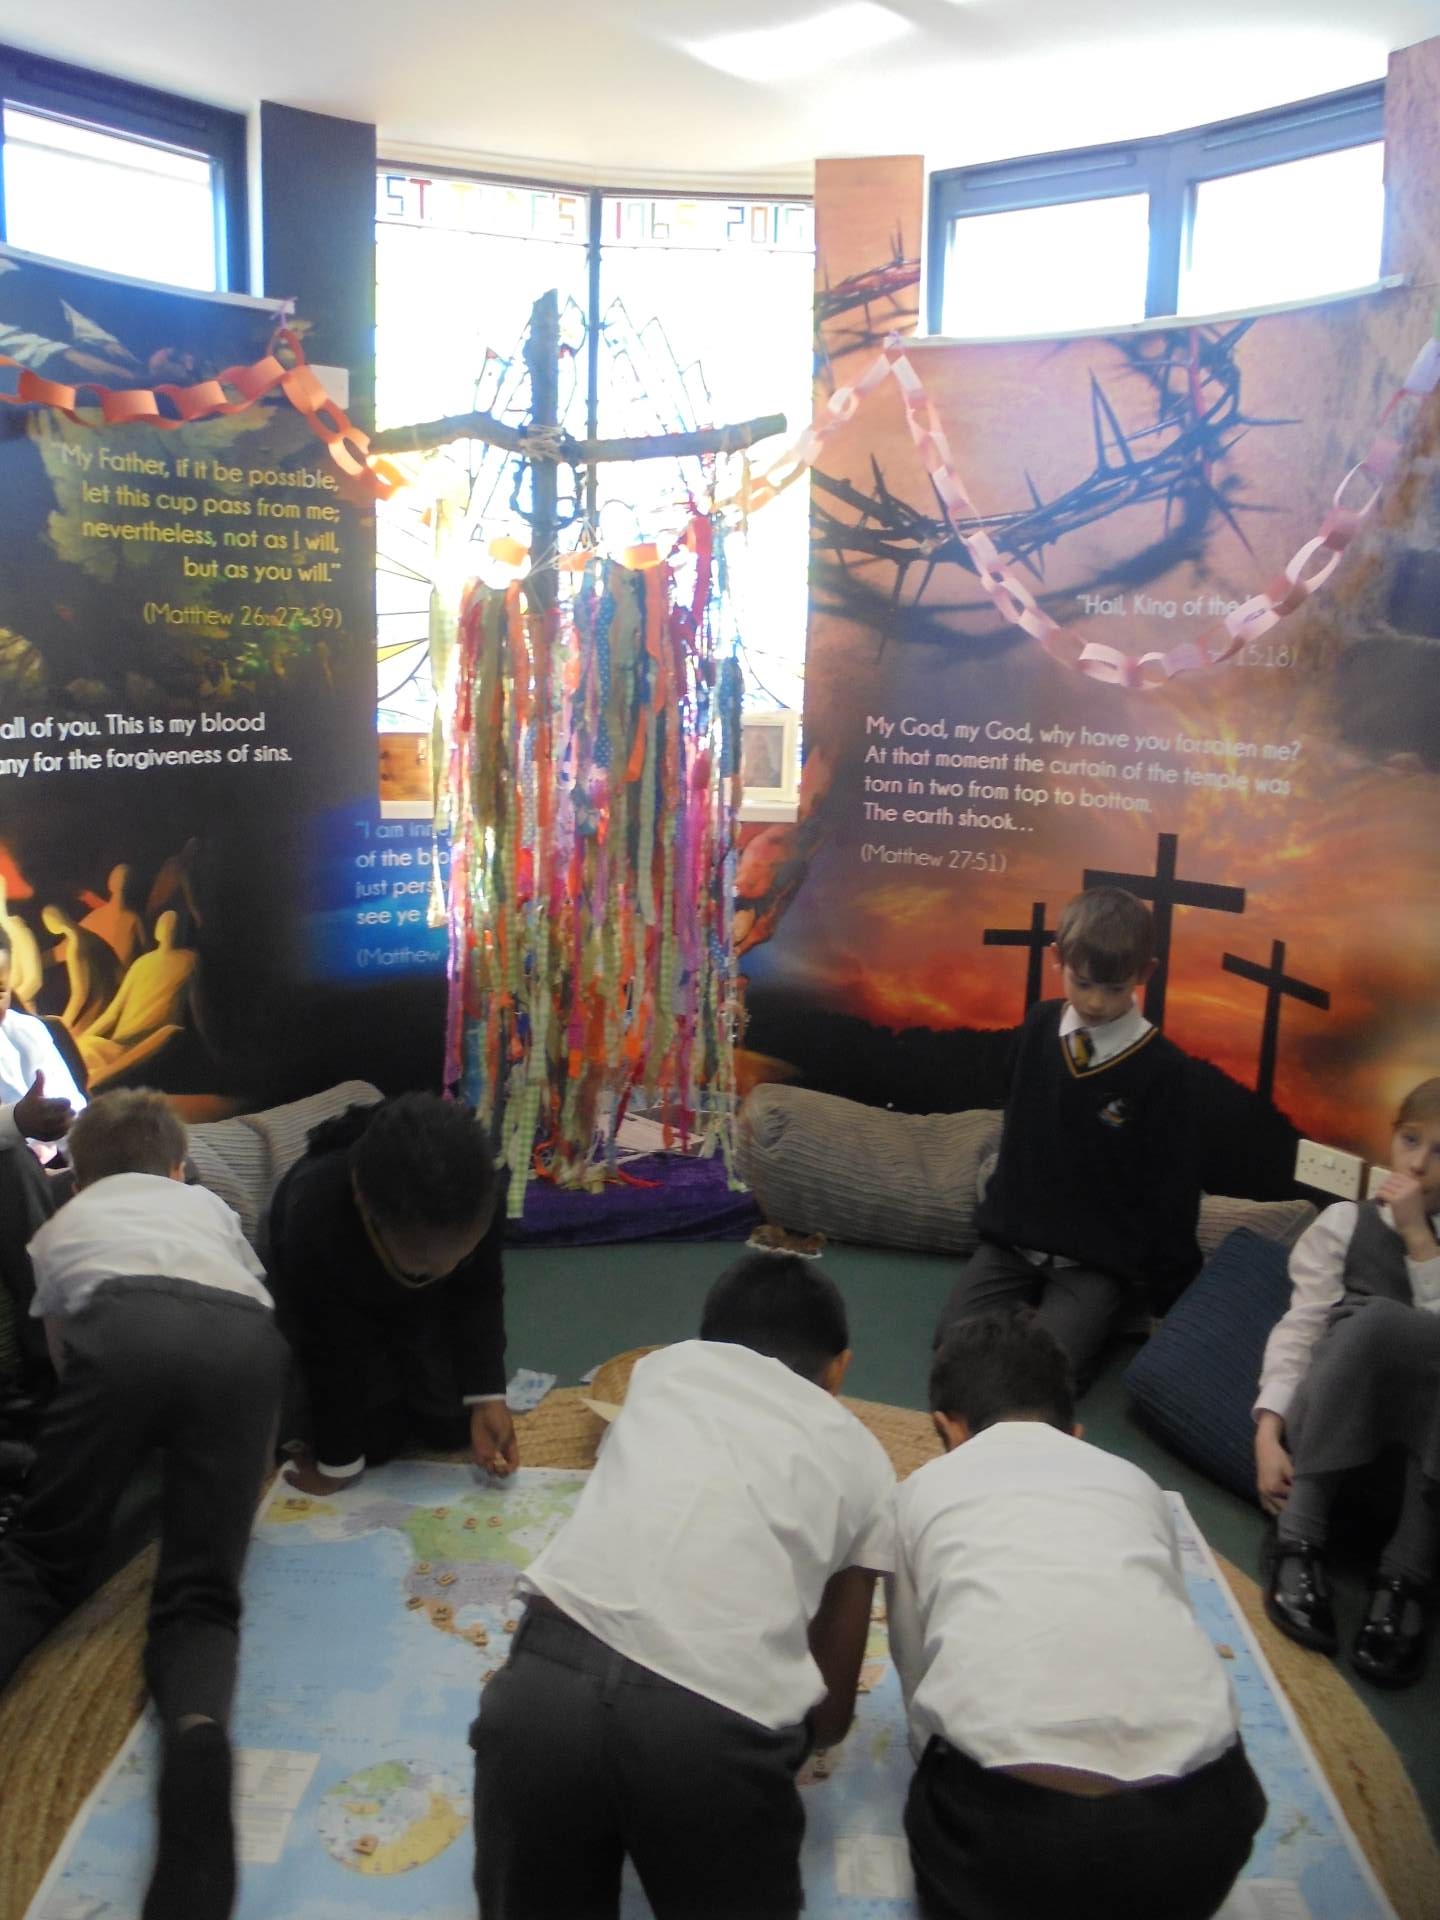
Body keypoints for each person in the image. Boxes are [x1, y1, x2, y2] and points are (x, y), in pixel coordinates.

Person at [471, 1251, 897, 1920]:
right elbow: (832, 1715)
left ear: (708, 1342)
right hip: (714, 1737)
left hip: (537, 1698)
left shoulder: (660, 1372)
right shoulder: (867, 1462)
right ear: (838, 1369)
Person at [0, 1089, 286, 1920]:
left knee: (42, 1556)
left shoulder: (60, 1227)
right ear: (178, 1168)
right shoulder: (210, 1210)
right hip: (246, 1343)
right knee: (201, 1597)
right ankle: (197, 1737)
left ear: (79, 1178)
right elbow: (254, 1298)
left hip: (120, 1331)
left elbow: (67, 1366)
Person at [891, 1312, 1266, 1920]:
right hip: (1204, 1827)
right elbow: (1170, 1605)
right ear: (1076, 1432)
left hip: (1008, 1840)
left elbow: (914, 1681)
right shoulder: (1135, 1482)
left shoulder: (918, 1492)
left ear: (946, 1427)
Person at [933, 886, 1201, 1386]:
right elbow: (1017, 1125)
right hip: (1015, 1242)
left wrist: (1170, 1298)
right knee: (954, 1346)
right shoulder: (1038, 1025)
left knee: (1047, 1378)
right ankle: (1041, 1316)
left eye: (1114, 988)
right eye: (1083, 983)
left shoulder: (1166, 1071)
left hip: (1095, 1258)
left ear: (1144, 973)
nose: (1096, 1002)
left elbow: (1174, 1192)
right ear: (1058, 959)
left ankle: (1098, 1314)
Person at [1256, 1077, 1440, 1687]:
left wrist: (1418, 1239)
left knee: (1403, 1325)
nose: (1418, 1164)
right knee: (1372, 1322)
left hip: (1417, 1461)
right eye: (1410, 1140)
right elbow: (1300, 1328)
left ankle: (1406, 1574)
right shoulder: (1343, 1223)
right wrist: (1268, 1431)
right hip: (1325, 1434)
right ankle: (1297, 1537)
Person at [266, 1093, 516, 1494]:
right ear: (368, 1210)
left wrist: (487, 1396)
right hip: (333, 1299)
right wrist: (338, 1465)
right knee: (374, 1444)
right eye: (426, 1267)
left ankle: (413, 1330)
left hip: (408, 1283)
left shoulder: (481, 1191)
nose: (448, 1271)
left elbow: (481, 1293)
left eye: (462, 1259)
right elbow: (328, 1348)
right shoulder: (316, 1215)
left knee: (451, 1430)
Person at [0, 923, 87, 1384]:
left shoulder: (28, 1030)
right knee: (12, 1162)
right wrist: (19, 1123)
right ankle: (49, 1361)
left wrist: (81, 1150)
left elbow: (74, 1110)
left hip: (53, 1170)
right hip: (12, 1179)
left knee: (152, 1143)